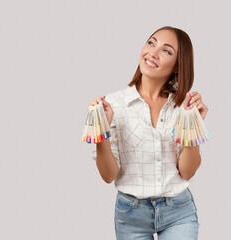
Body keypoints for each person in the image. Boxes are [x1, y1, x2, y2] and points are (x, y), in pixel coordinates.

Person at [88, 26, 208, 240]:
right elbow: (108, 175)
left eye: (166, 51)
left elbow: (187, 172)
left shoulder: (183, 107)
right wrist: (102, 130)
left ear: (178, 66)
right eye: (151, 43)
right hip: (131, 214)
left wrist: (193, 124)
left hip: (178, 210)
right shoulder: (113, 105)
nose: (153, 52)